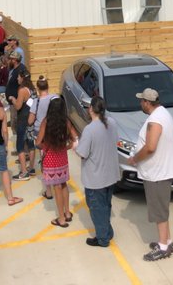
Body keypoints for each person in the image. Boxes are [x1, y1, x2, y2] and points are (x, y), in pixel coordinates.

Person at [126, 88, 173, 262]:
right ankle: (167, 241)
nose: (140, 103)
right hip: (160, 171)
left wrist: (135, 158)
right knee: (161, 209)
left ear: (148, 103)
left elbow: (150, 147)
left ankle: (163, 247)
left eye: (142, 100)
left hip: (157, 173)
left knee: (159, 211)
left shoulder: (155, 120)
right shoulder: (163, 113)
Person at [75, 96, 120, 247]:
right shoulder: (112, 123)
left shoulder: (89, 130)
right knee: (106, 205)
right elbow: (115, 141)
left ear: (92, 109)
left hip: (96, 178)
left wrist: (76, 144)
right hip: (111, 174)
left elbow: (82, 153)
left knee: (97, 208)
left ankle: (102, 238)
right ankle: (107, 231)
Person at [36, 96, 77, 228]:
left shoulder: (46, 122)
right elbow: (74, 138)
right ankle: (67, 213)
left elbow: (38, 142)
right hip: (62, 158)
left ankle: (61, 218)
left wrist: (45, 146)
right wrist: (67, 147)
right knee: (64, 184)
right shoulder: (66, 122)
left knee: (56, 187)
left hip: (50, 159)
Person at [9, 70, 33, 181]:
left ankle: (24, 172)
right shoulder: (32, 89)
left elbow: (18, 106)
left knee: (20, 146)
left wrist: (13, 99)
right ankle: (31, 168)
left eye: (18, 77)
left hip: (23, 120)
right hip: (30, 119)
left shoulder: (22, 90)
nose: (17, 79)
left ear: (22, 78)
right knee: (31, 144)